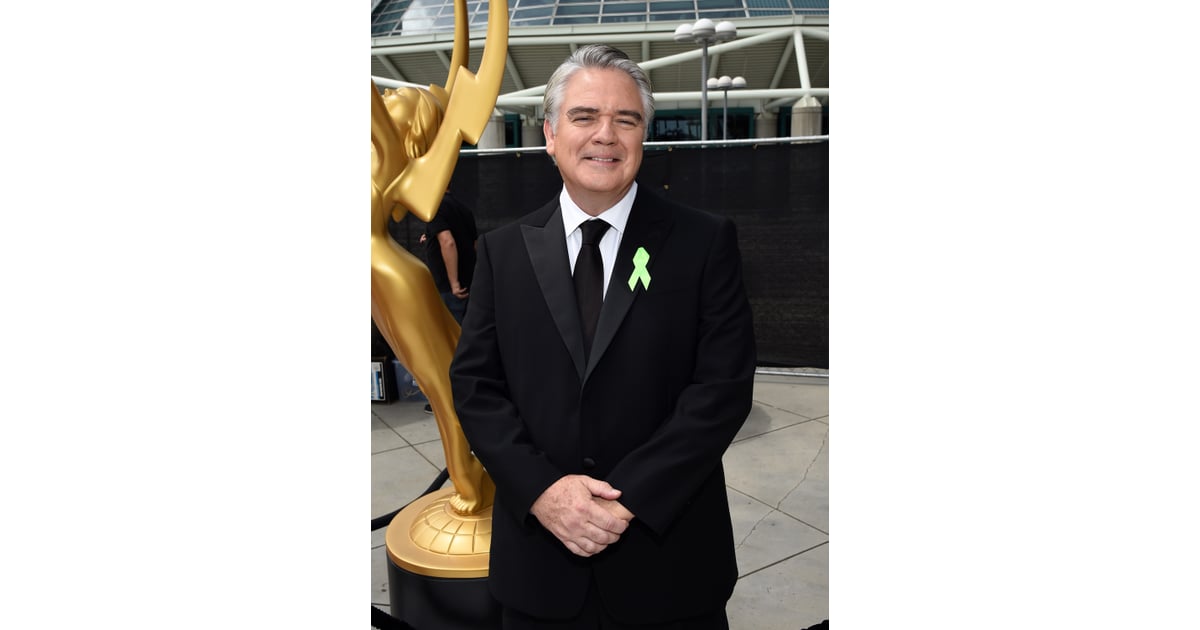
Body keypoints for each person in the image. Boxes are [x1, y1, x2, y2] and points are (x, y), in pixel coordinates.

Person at [450, 44, 756, 629]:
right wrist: (543, 492)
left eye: (626, 119)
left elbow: (721, 389)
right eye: (585, 116)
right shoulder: (502, 251)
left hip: (670, 566)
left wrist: (628, 500)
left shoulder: (704, 242)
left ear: (644, 135)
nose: (605, 135)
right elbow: (476, 387)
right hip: (540, 571)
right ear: (550, 133)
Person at [421, 190, 478, 324]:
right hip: (467, 284)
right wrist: (430, 237)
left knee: (450, 331)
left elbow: (448, 242)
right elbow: (474, 244)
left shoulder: (435, 207)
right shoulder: (463, 209)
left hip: (450, 289)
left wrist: (454, 283)